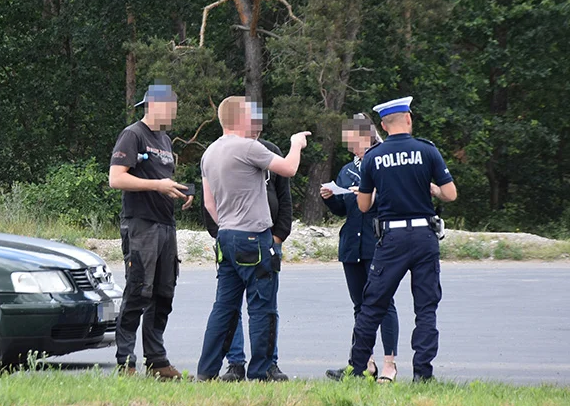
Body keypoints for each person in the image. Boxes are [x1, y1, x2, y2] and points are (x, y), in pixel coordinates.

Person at [328, 96, 457, 383]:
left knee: (372, 304)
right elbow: (450, 194)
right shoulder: (427, 151)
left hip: (390, 237)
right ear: (409, 119)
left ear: (383, 127)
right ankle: (423, 373)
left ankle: (359, 367)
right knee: (425, 307)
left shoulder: (374, 157)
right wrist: (432, 189)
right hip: (424, 236)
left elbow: (363, 206)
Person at [196, 96, 310, 382]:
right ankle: (261, 371)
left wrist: (228, 224)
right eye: (250, 114)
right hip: (254, 237)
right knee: (262, 307)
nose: (254, 119)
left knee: (224, 307)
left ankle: (206, 371)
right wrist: (296, 144)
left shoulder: (209, 153)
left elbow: (209, 204)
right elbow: (289, 169)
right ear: (238, 118)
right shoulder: (248, 147)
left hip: (225, 236)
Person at [108, 84, 193, 380]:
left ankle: (157, 361)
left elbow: (161, 178)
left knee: (163, 293)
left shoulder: (165, 139)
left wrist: (180, 191)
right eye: (173, 105)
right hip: (140, 224)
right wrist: (158, 186)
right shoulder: (133, 134)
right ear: (155, 105)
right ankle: (126, 362)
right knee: (138, 291)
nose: (176, 111)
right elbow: (116, 179)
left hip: (166, 224)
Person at [322, 114, 400, 383]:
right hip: (351, 246)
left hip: (377, 242)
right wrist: (331, 199)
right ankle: (364, 363)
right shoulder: (347, 169)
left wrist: (369, 195)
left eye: (352, 137)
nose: (349, 143)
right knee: (360, 306)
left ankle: (390, 364)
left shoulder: (383, 162)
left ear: (366, 136)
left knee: (384, 304)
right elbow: (344, 210)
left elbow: (395, 199)